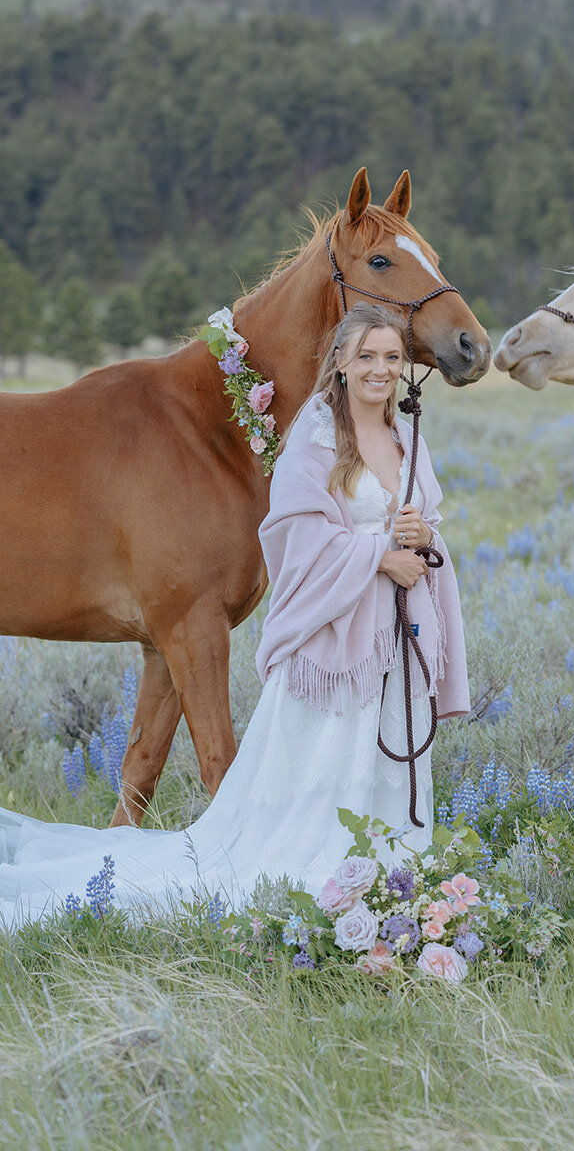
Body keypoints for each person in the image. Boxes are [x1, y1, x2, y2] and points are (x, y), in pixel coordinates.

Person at [0, 303, 468, 926]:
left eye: (390, 358)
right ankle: (314, 876)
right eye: (367, 358)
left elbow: (425, 518)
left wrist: (417, 534)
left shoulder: (409, 437)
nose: (380, 370)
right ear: (342, 364)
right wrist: (380, 554)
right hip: (336, 642)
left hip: (389, 642)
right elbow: (298, 538)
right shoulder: (319, 436)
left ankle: (385, 880)